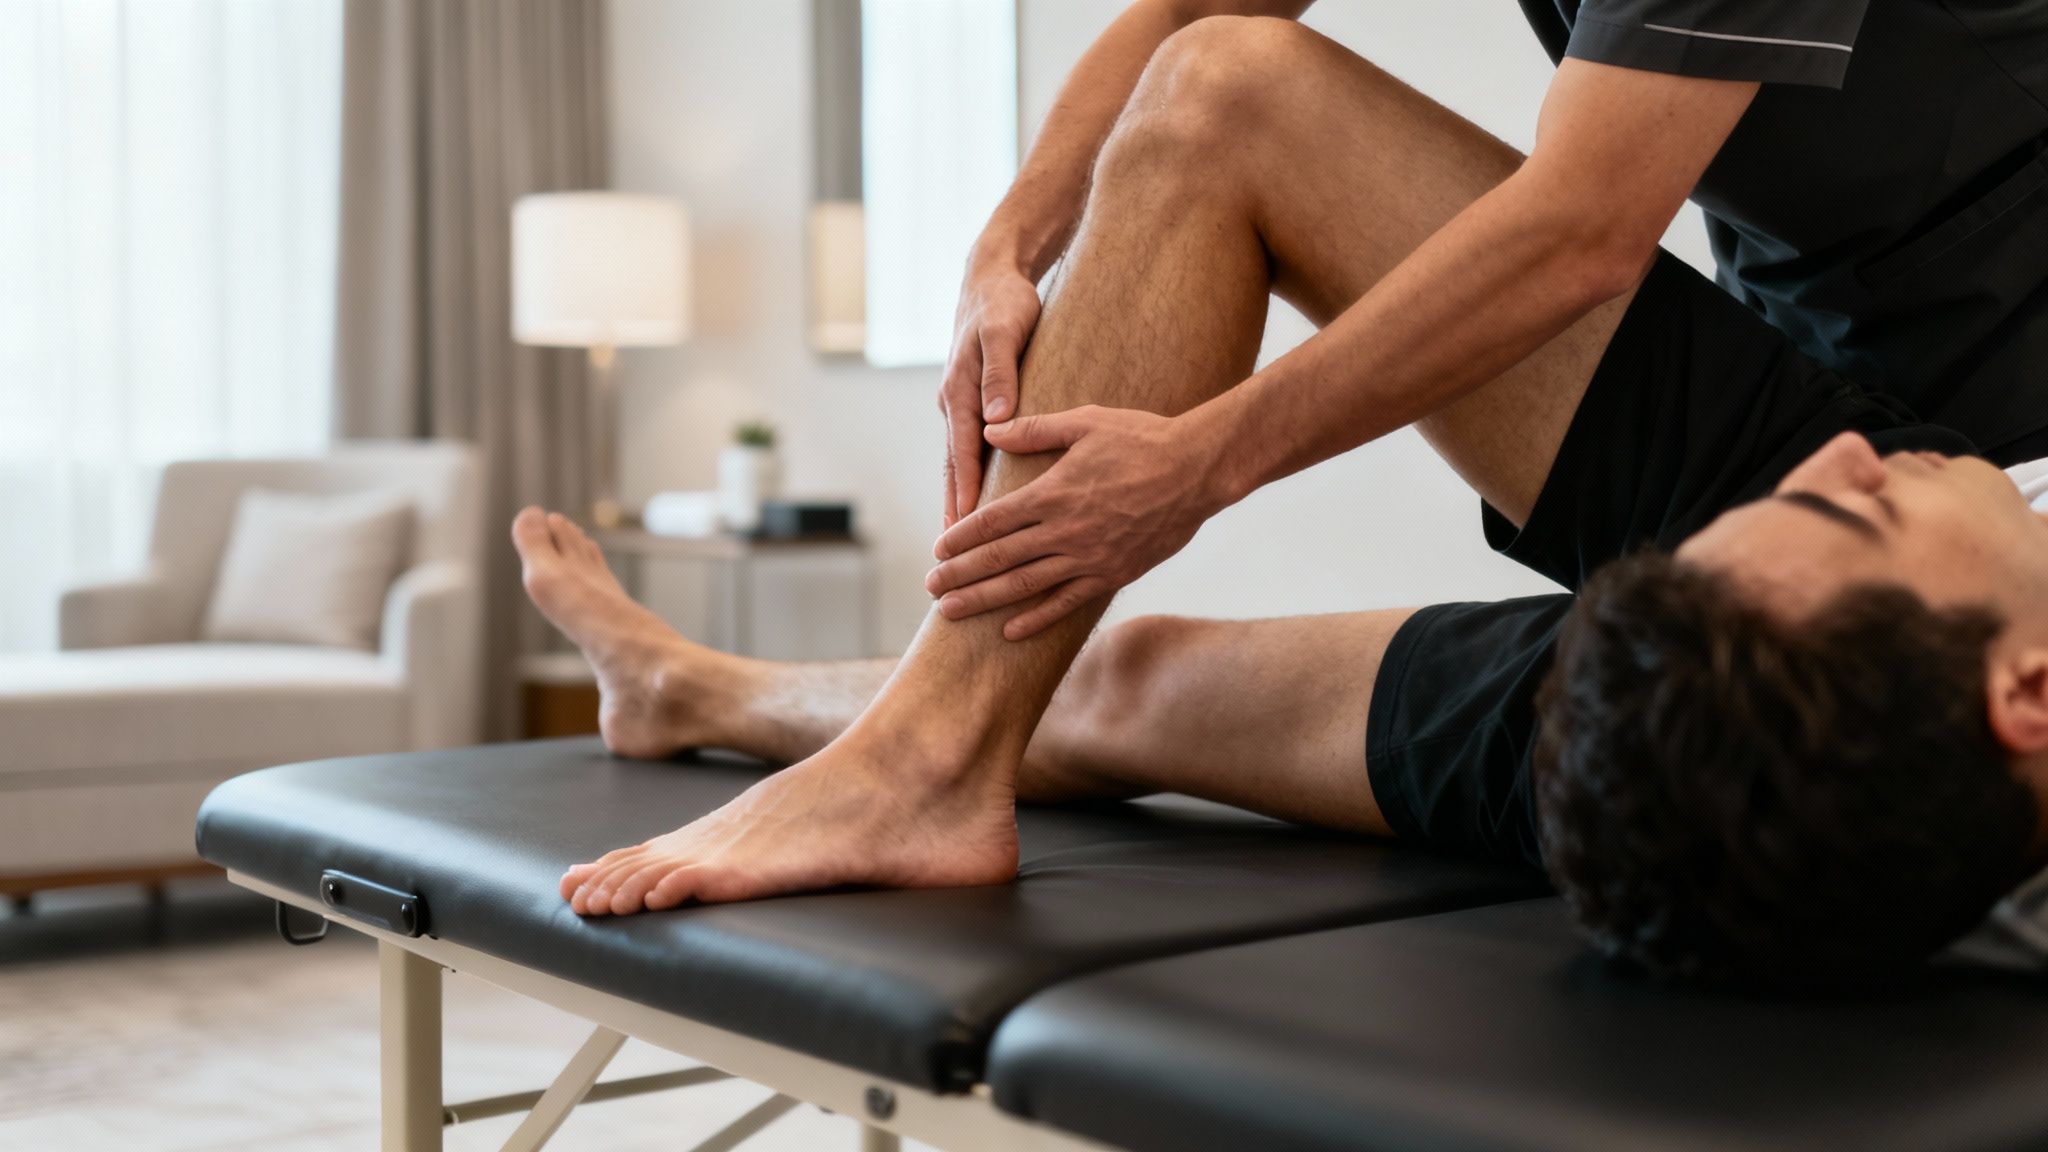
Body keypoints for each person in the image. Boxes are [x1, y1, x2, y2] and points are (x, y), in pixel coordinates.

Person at [522, 0, 2048, 976]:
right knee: (1229, 88)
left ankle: (766, 712)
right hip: (1880, 469)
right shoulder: (1842, 482)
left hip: (1976, 444)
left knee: (1148, 673)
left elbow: (1580, 226)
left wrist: (1202, 461)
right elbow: (1205, 18)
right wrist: (1011, 241)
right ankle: (823, 723)